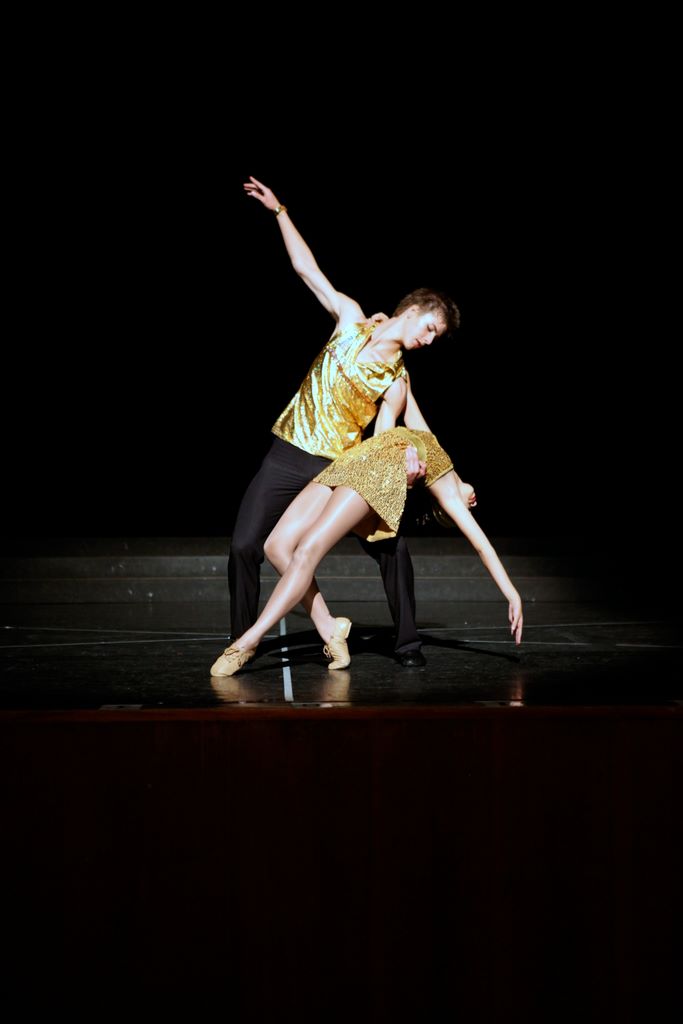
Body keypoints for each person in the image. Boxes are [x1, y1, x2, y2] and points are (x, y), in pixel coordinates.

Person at [227, 175, 462, 668]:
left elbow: (403, 428)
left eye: (436, 338)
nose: (429, 341)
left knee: (390, 547)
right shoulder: (351, 320)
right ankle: (247, 640)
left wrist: (432, 472)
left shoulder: (397, 377)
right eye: (430, 329)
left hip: (338, 468)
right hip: (289, 451)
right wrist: (280, 211)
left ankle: (408, 643)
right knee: (246, 545)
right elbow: (306, 269)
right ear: (412, 311)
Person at [210, 410, 523, 677]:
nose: (473, 503)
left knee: (307, 551)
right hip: (352, 460)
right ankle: (330, 630)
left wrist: (512, 593)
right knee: (276, 546)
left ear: (446, 510)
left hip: (376, 474)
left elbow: (482, 547)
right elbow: (398, 395)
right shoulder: (432, 440)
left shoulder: (450, 494)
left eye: (466, 511)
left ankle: (248, 641)